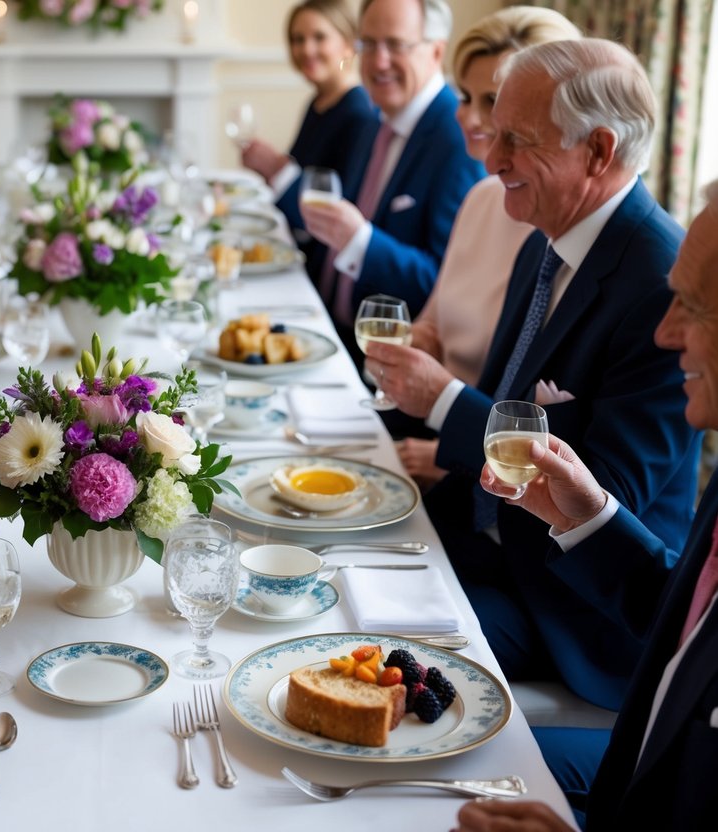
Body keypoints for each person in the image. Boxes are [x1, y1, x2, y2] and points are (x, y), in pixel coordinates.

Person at [366, 39, 700, 713]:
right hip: (488, 545)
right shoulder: (544, 241)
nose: (491, 161)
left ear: (598, 152)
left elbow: (608, 494)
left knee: (373, 660)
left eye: (515, 140)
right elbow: (510, 406)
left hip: (568, 605)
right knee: (335, 561)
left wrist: (444, 402)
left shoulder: (658, 284)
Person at [457, 185, 718, 830]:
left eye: (691, 306)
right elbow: (682, 615)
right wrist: (586, 516)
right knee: (443, 762)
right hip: (645, 748)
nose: (666, 331)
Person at [394, 6, 580, 489]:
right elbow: (433, 319)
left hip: (482, 471)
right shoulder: (481, 197)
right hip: (433, 429)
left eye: (494, 101)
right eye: (466, 97)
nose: (473, 118)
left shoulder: (562, 232)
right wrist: (419, 342)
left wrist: (448, 452)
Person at [299, 0, 484, 340]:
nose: (379, 61)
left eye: (396, 45)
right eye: (368, 44)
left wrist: (359, 241)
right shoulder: (377, 117)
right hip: (323, 324)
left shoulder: (456, 138)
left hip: (385, 354)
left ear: (436, 52)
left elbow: (447, 286)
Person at [239, 0, 377, 274]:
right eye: (297, 39)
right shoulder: (318, 103)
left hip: (321, 268)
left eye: (319, 37)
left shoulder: (358, 114)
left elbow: (333, 213)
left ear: (349, 43)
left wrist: (278, 170)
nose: (305, 49)